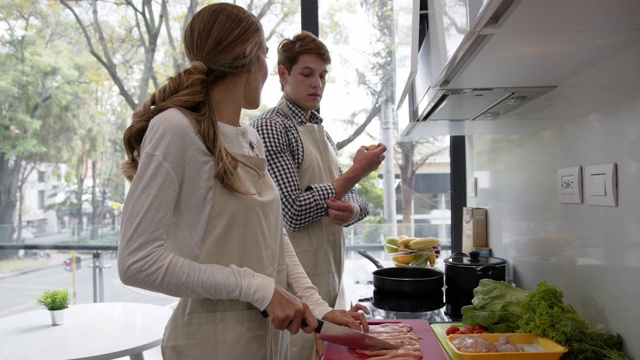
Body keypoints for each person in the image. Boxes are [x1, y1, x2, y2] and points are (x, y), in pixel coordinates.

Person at [118, 4, 368, 360]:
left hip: (267, 343)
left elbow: (274, 236)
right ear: (248, 56)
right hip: (209, 347)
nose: (266, 70)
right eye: (265, 55)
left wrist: (317, 306)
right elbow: (136, 262)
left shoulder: (250, 137)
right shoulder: (175, 128)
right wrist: (258, 288)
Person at [250, 31, 387, 359]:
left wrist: (352, 211)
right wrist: (357, 172)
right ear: (283, 75)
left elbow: (356, 200)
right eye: (307, 74)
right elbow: (292, 212)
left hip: (330, 280)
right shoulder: (272, 127)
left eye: (323, 75)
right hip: (295, 288)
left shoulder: (323, 134)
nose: (317, 83)